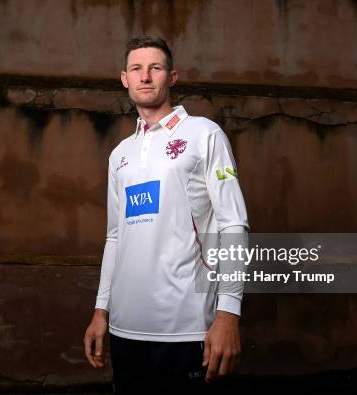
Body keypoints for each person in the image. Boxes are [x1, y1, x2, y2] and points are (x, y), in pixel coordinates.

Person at [83, 36, 249, 394]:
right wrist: (101, 312)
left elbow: (233, 223)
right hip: (125, 330)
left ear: (171, 77)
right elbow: (115, 238)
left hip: (187, 329)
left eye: (155, 68)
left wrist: (228, 314)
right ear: (124, 79)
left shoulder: (205, 134)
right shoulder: (120, 154)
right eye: (136, 69)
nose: (145, 77)